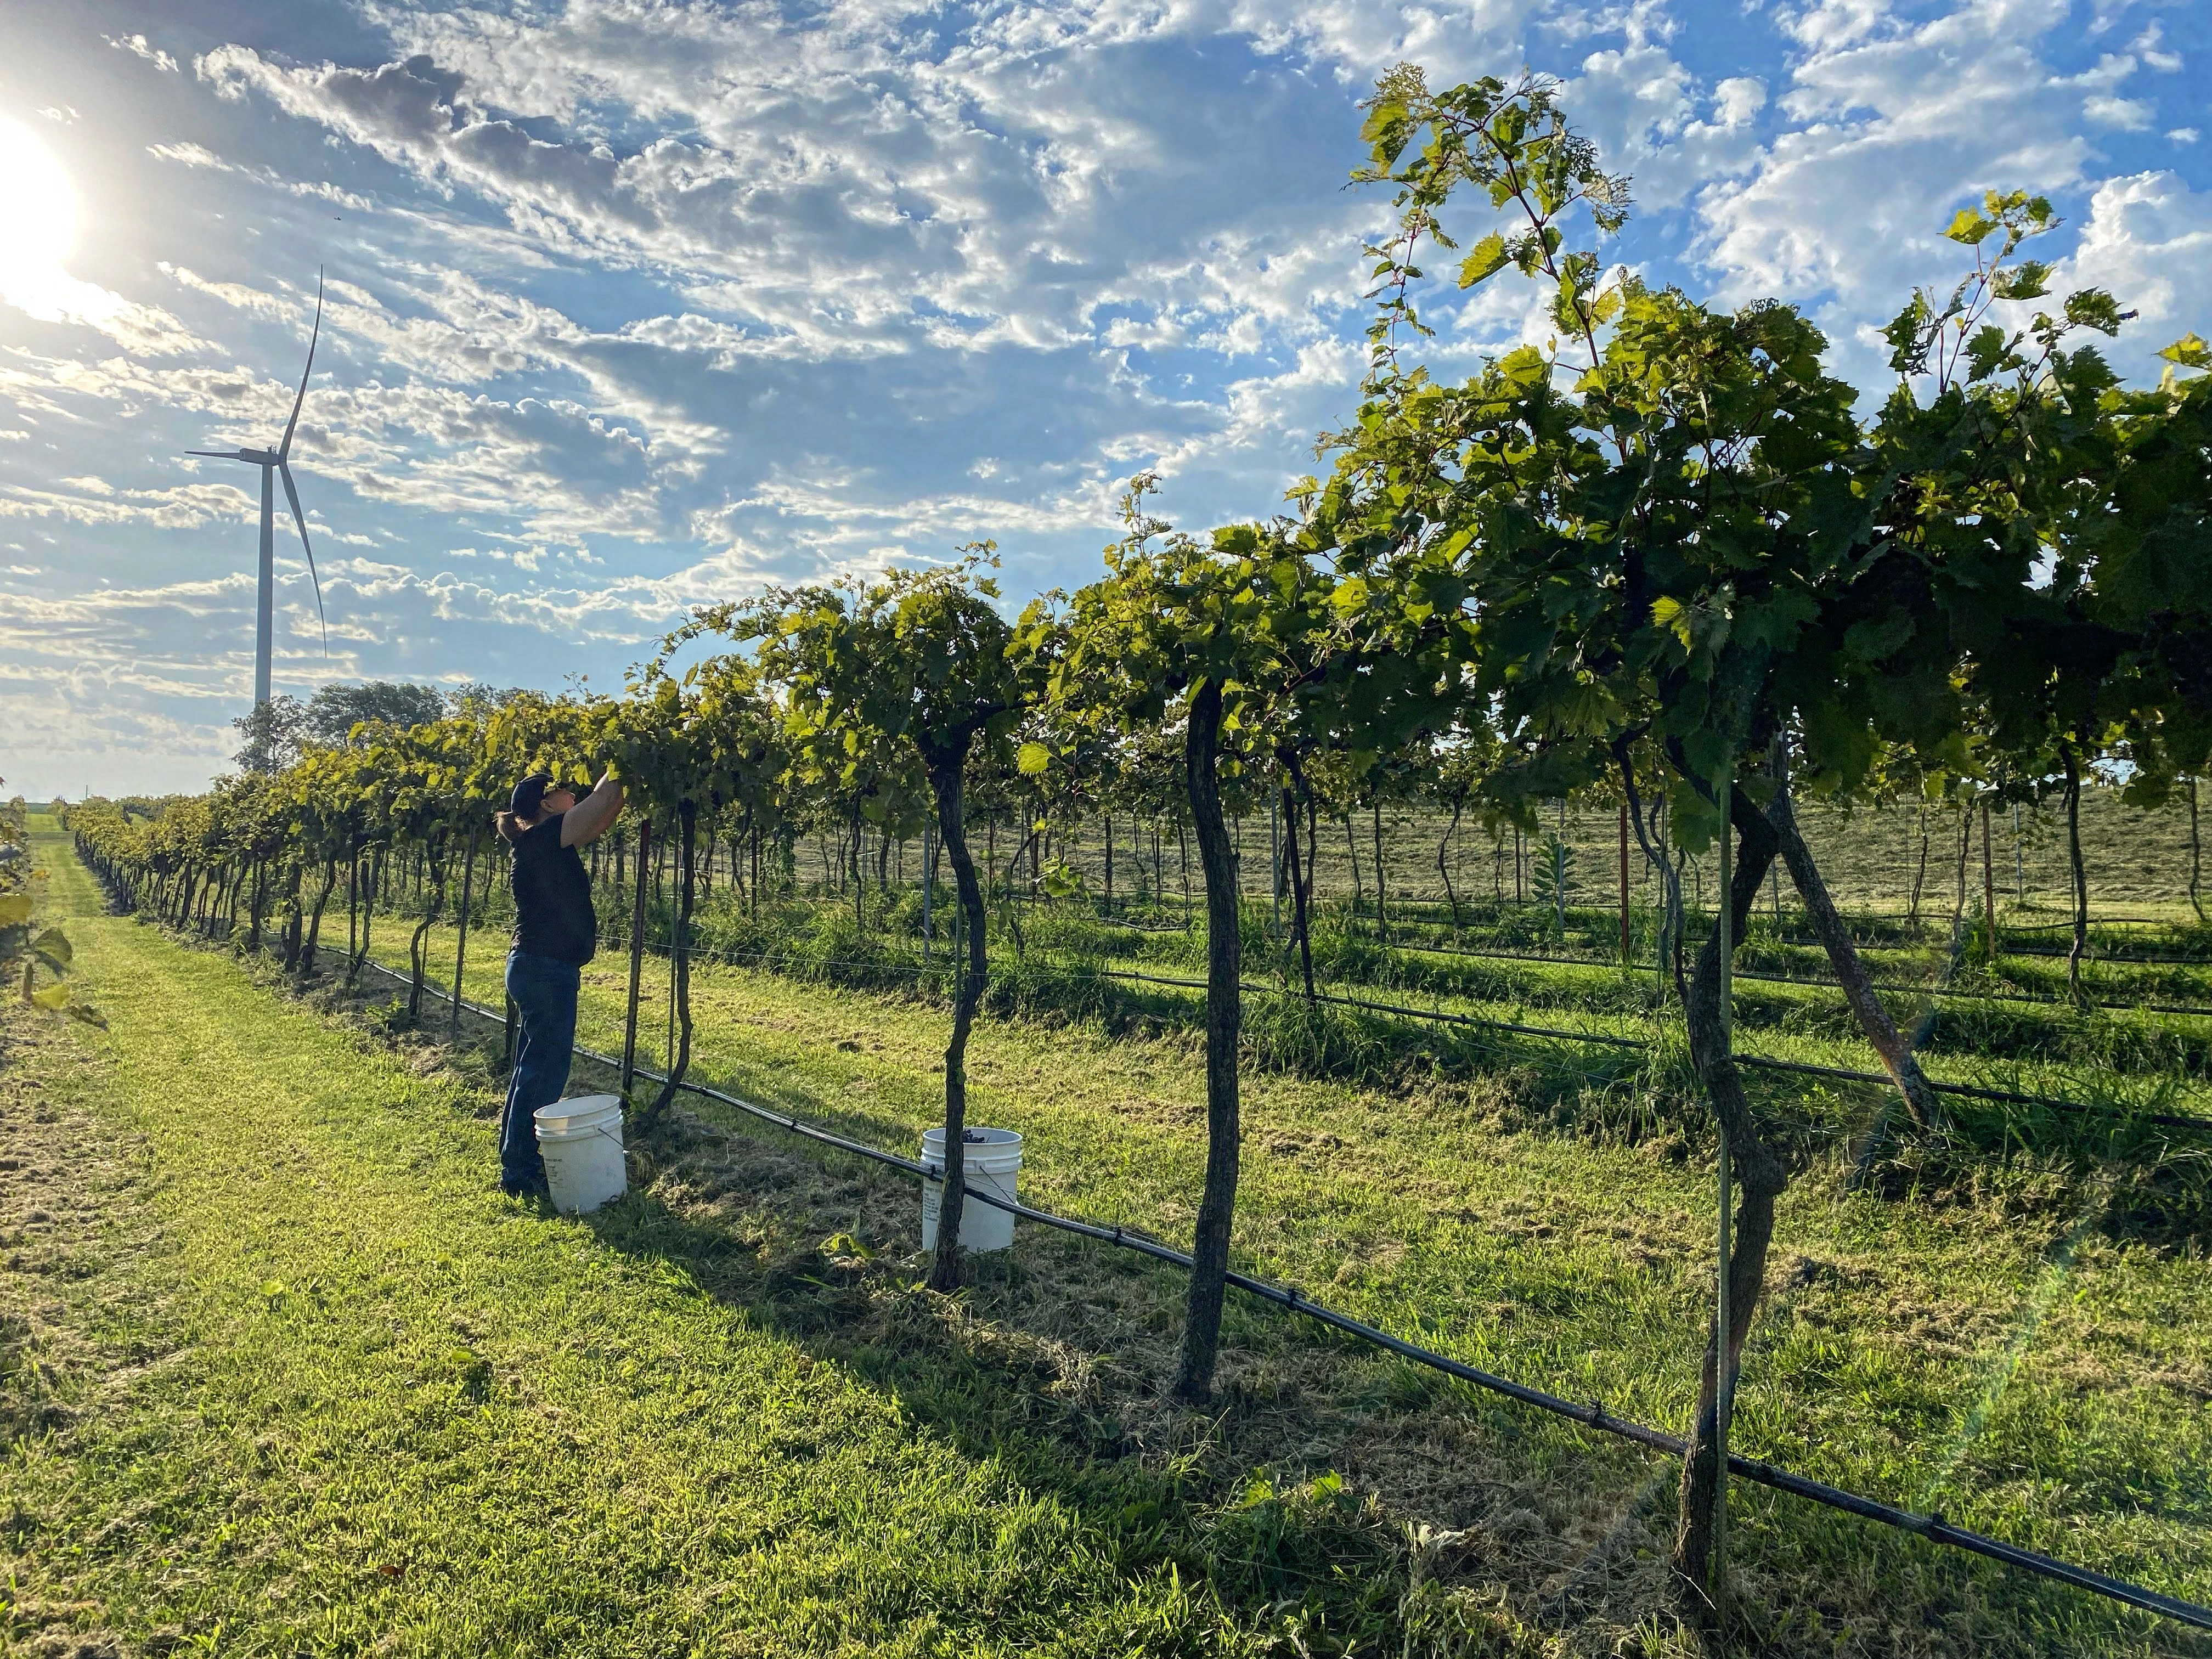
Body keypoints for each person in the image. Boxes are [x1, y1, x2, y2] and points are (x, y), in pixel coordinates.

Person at [493, 768, 623, 1197]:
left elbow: (603, 815)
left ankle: (518, 1161)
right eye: (561, 790)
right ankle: (522, 1172)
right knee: (543, 1072)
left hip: (540, 967)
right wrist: (625, 761)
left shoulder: (544, 840)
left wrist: (623, 786)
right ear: (547, 805)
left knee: (533, 1069)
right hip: (545, 969)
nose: (571, 792)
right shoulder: (545, 838)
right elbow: (599, 805)